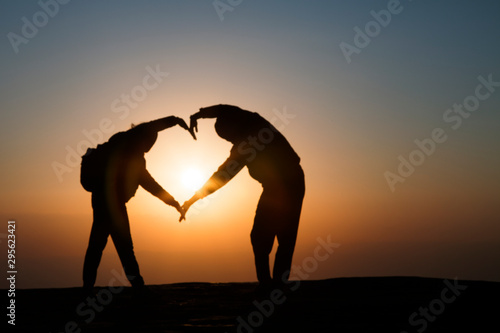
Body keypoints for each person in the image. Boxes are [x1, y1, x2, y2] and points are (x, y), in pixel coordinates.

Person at [182, 105, 305, 293]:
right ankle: (272, 285)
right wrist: (199, 115)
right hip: (284, 184)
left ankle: (272, 285)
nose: (230, 141)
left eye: (229, 137)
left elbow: (220, 177)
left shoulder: (248, 138)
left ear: (235, 127)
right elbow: (221, 176)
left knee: (277, 236)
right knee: (270, 237)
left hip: (289, 183)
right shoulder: (252, 126)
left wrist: (193, 199)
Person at [82, 116, 193, 294]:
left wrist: (173, 202)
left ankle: (90, 286)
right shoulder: (126, 145)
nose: (151, 145)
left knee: (101, 244)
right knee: (119, 245)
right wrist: (175, 120)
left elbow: (150, 184)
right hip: (110, 202)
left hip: (103, 200)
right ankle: (137, 286)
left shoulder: (131, 152)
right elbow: (150, 183)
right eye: (150, 141)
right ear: (143, 138)